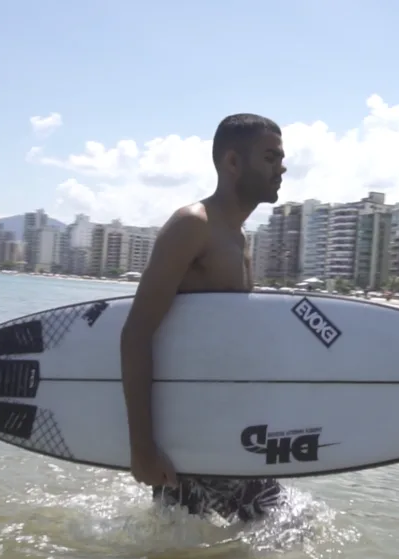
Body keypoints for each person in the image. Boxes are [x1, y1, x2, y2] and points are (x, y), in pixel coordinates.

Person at [119, 113, 287, 523]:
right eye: (270, 157)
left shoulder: (240, 237)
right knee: (190, 557)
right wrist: (141, 449)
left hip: (230, 432)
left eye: (281, 158)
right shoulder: (193, 225)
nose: (281, 167)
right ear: (233, 162)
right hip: (191, 441)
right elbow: (137, 332)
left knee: (285, 532)